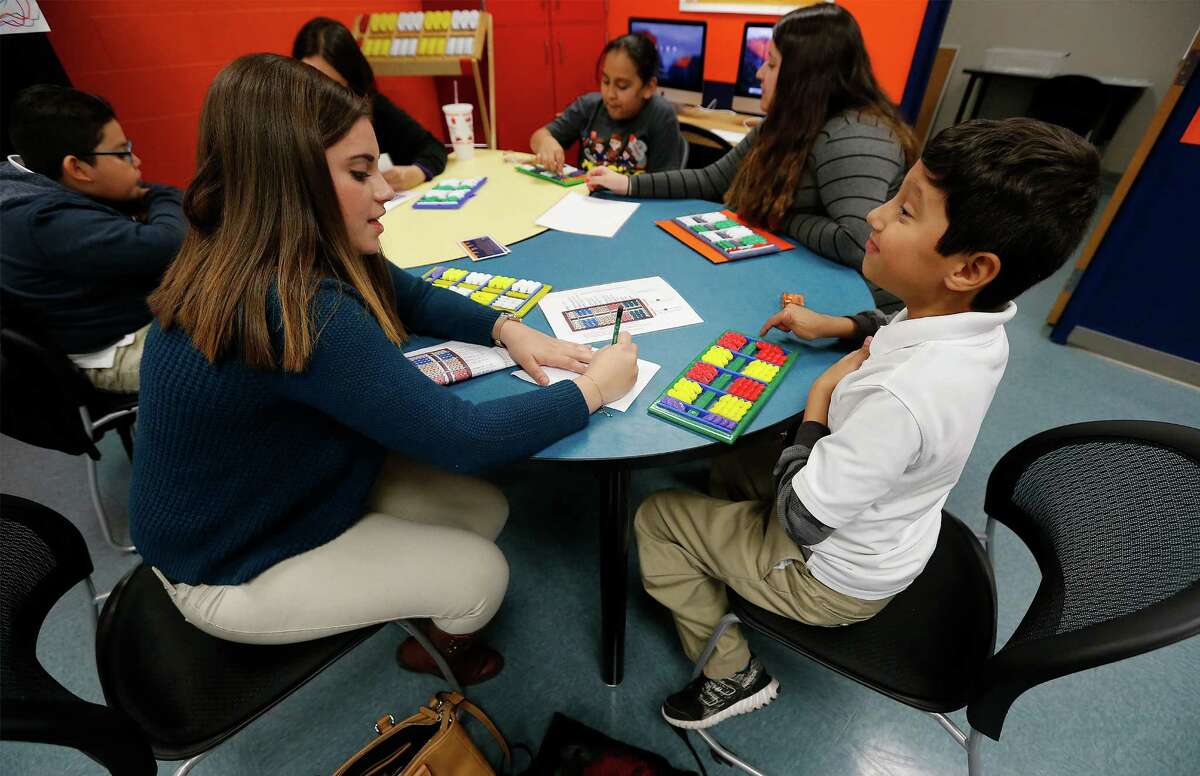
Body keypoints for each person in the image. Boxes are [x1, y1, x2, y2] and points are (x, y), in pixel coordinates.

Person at [129, 54, 638, 686]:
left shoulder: (260, 243)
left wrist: (507, 328)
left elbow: (409, 295)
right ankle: (441, 655)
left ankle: (412, 599)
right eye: (359, 171)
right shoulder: (301, 308)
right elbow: (464, 439)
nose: (387, 190)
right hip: (223, 565)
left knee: (483, 512)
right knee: (482, 574)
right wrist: (592, 390)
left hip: (266, 497)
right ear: (292, 184)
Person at [634, 117, 1101, 728]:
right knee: (731, 458)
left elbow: (803, 516)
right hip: (893, 529)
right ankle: (730, 553)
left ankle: (732, 674)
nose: (876, 217)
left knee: (657, 518)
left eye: (906, 211)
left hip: (830, 577)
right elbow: (903, 326)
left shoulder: (902, 396)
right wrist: (841, 327)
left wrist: (820, 401)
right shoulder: (977, 324)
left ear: (969, 269)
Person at [587, 5, 917, 312]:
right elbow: (710, 180)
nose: (759, 73)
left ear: (805, 76)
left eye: (772, 64)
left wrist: (773, 213)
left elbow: (855, 242)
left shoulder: (854, 136)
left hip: (863, 307)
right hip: (801, 273)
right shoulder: (789, 122)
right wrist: (628, 184)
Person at [0, 85, 185, 393]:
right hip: (122, 350)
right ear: (76, 167)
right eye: (123, 152)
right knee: (269, 340)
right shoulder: (45, 220)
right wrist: (159, 194)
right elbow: (168, 242)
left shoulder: (21, 182)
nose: (136, 161)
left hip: (122, 329)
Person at [294, 17, 448, 192]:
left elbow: (432, 147)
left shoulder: (371, 107)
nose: (321, 93)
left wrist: (416, 172)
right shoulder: (289, 118)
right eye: (310, 81)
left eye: (333, 85)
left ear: (350, 81)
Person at [531, 32, 684, 176]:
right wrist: (546, 142)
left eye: (622, 86)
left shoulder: (661, 115)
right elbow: (538, 136)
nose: (610, 94)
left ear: (649, 87)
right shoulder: (588, 106)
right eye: (605, 81)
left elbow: (665, 185)